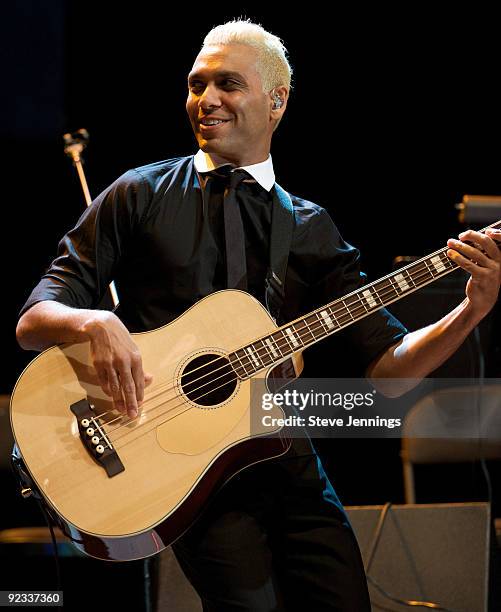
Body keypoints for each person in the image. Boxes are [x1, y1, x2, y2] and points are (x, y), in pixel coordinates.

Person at [16, 19, 501, 612]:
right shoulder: (137, 195)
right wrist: (92, 322)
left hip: (286, 459)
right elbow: (34, 317)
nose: (206, 100)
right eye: (197, 85)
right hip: (184, 476)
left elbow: (389, 373)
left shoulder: (310, 227)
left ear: (277, 101)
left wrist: (471, 310)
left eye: (227, 84)